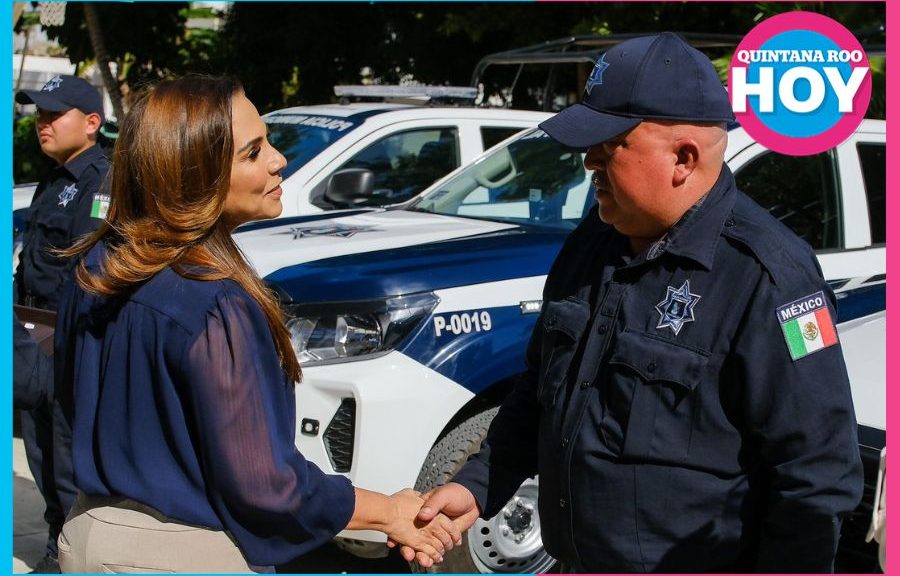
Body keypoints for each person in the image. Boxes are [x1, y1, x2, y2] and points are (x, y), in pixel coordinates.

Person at [411, 32, 863, 572]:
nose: (589, 161)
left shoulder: (767, 277)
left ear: (684, 158)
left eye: (611, 143)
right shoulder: (592, 245)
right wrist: (479, 483)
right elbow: (540, 392)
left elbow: (816, 478)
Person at [53, 76, 459, 573]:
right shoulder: (214, 301)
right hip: (178, 554)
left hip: (86, 535)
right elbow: (267, 484)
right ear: (192, 172)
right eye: (251, 152)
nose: (278, 159)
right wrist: (390, 512)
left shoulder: (97, 262)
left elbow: (72, 407)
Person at [14, 74, 110, 574]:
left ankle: (71, 551)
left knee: (67, 453)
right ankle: (56, 536)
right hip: (32, 332)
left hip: (66, 337)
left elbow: (87, 269)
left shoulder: (99, 181)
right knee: (38, 448)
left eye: (54, 114)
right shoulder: (54, 178)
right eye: (38, 114)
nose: (42, 123)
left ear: (91, 123)